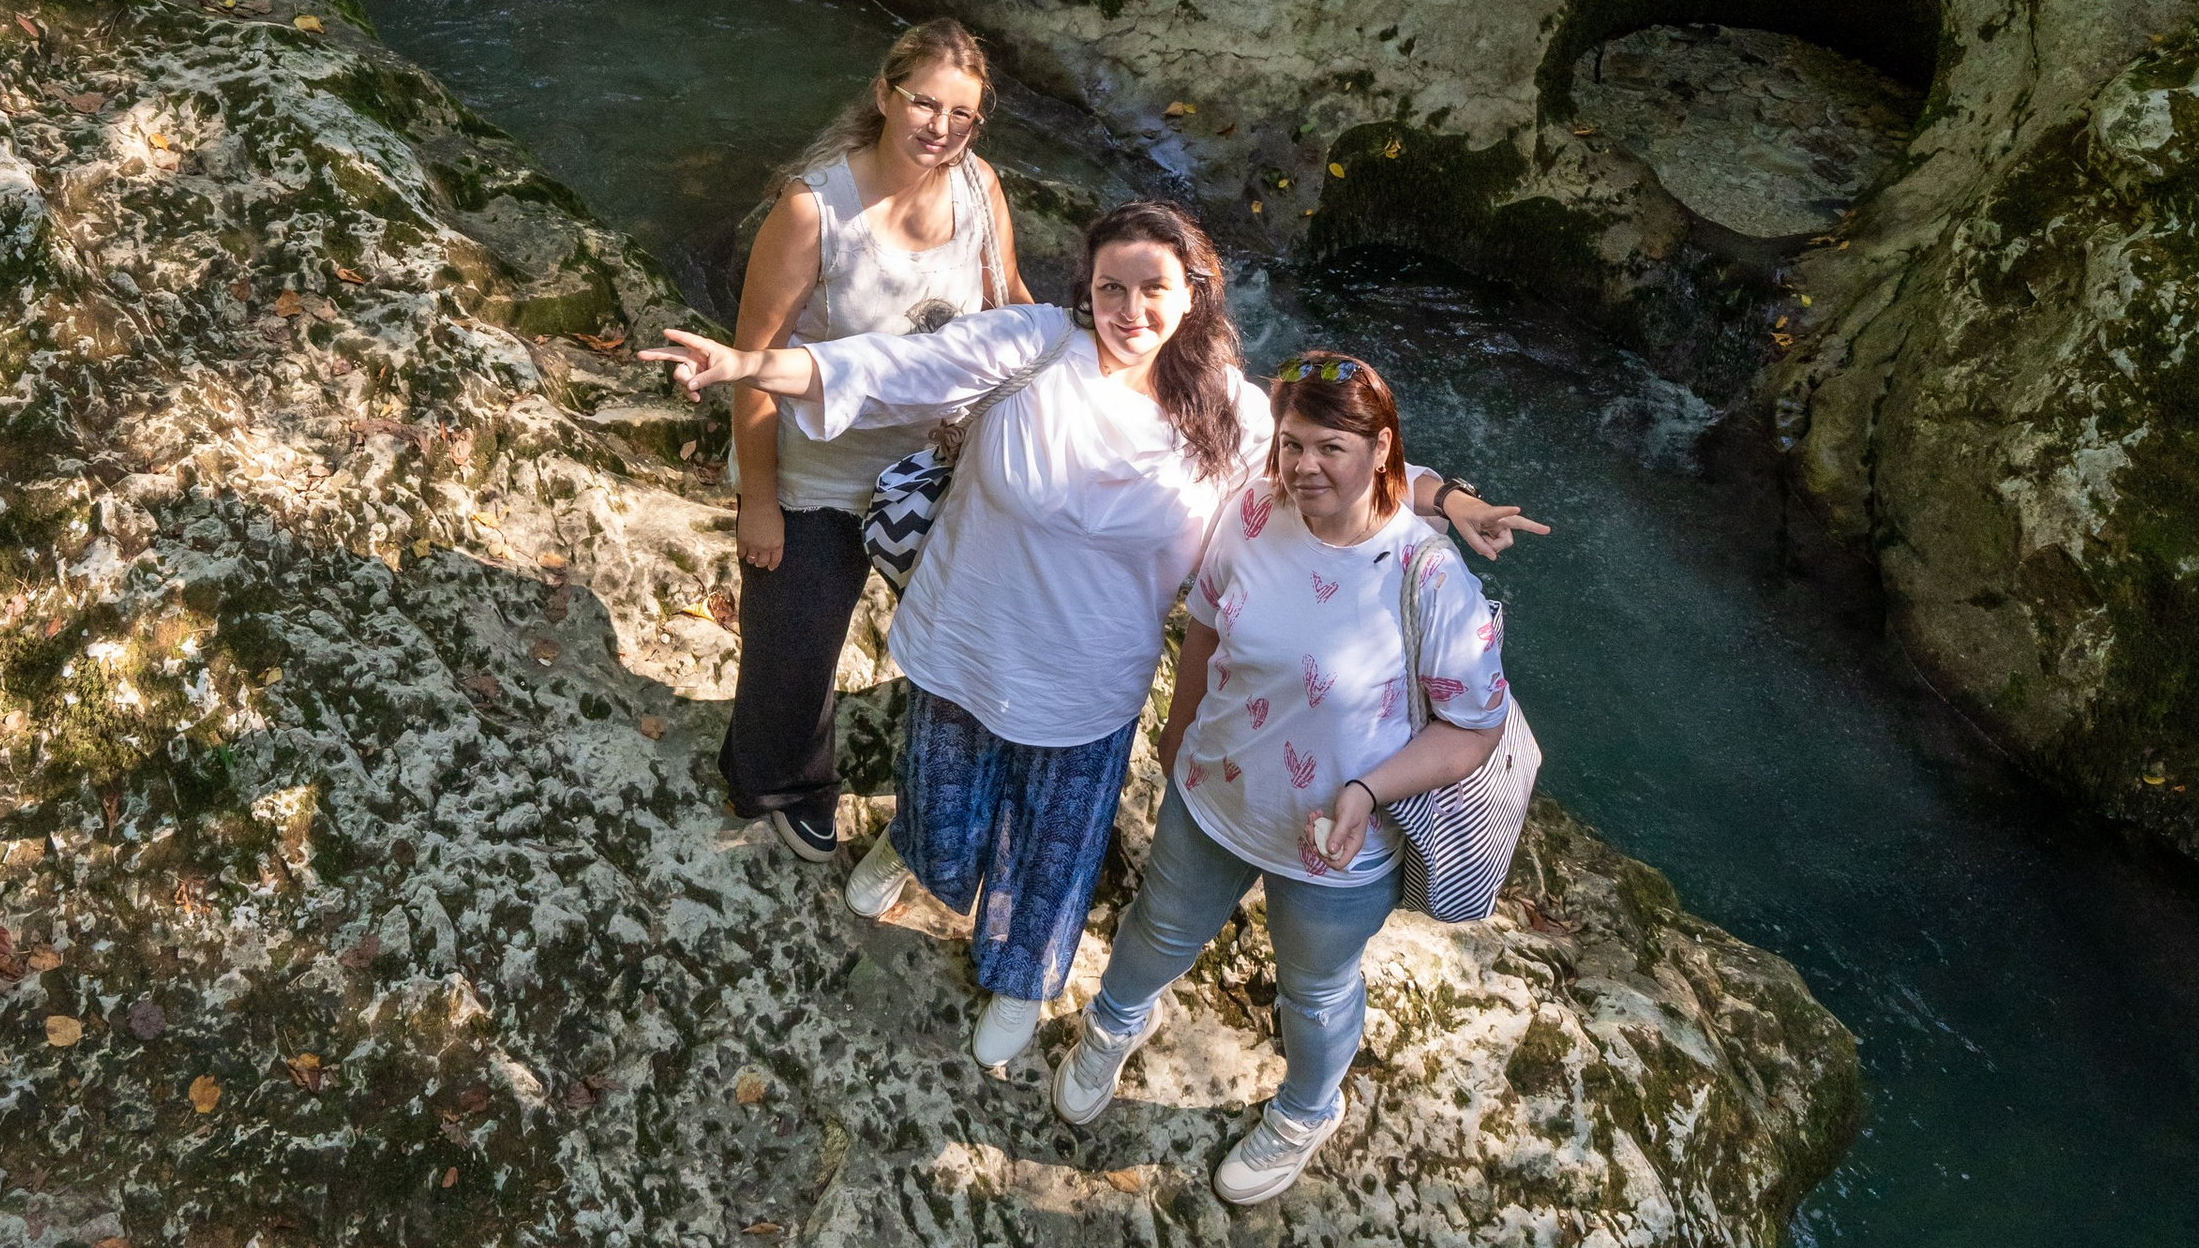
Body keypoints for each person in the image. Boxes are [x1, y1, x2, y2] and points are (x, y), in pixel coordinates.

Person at [645, 215, 1541, 1073]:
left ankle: (1020, 982)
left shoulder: (1227, 410)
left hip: (1090, 674)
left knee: (1054, 846)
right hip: (973, 634)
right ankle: (916, 851)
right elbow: (895, 366)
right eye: (1111, 286)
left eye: (1153, 287)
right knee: (939, 788)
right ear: (1087, 290)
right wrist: (747, 364)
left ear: (1193, 294)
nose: (1130, 309)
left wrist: (1449, 498)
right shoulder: (1034, 346)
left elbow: (1345, 458)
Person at [1050, 349, 1519, 1206]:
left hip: (1343, 839)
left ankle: (1306, 1109)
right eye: (1292, 444)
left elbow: (1475, 729)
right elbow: (1203, 624)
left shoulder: (1427, 574)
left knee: (1313, 988)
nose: (1304, 466)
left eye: (1329, 448)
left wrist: (1368, 792)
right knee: (1160, 926)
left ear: (1382, 451)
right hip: (1218, 790)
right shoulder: (1255, 511)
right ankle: (1113, 1024)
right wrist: (1178, 727)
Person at [721, 17, 1025, 865]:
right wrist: (760, 502)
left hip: (933, 469)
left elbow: (1008, 310)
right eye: (924, 103)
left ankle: (948, 791)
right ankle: (781, 778)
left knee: (971, 641)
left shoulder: (979, 189)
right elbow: (757, 364)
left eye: (961, 114)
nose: (940, 127)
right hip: (817, 473)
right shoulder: (813, 210)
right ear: (885, 96)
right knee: (794, 660)